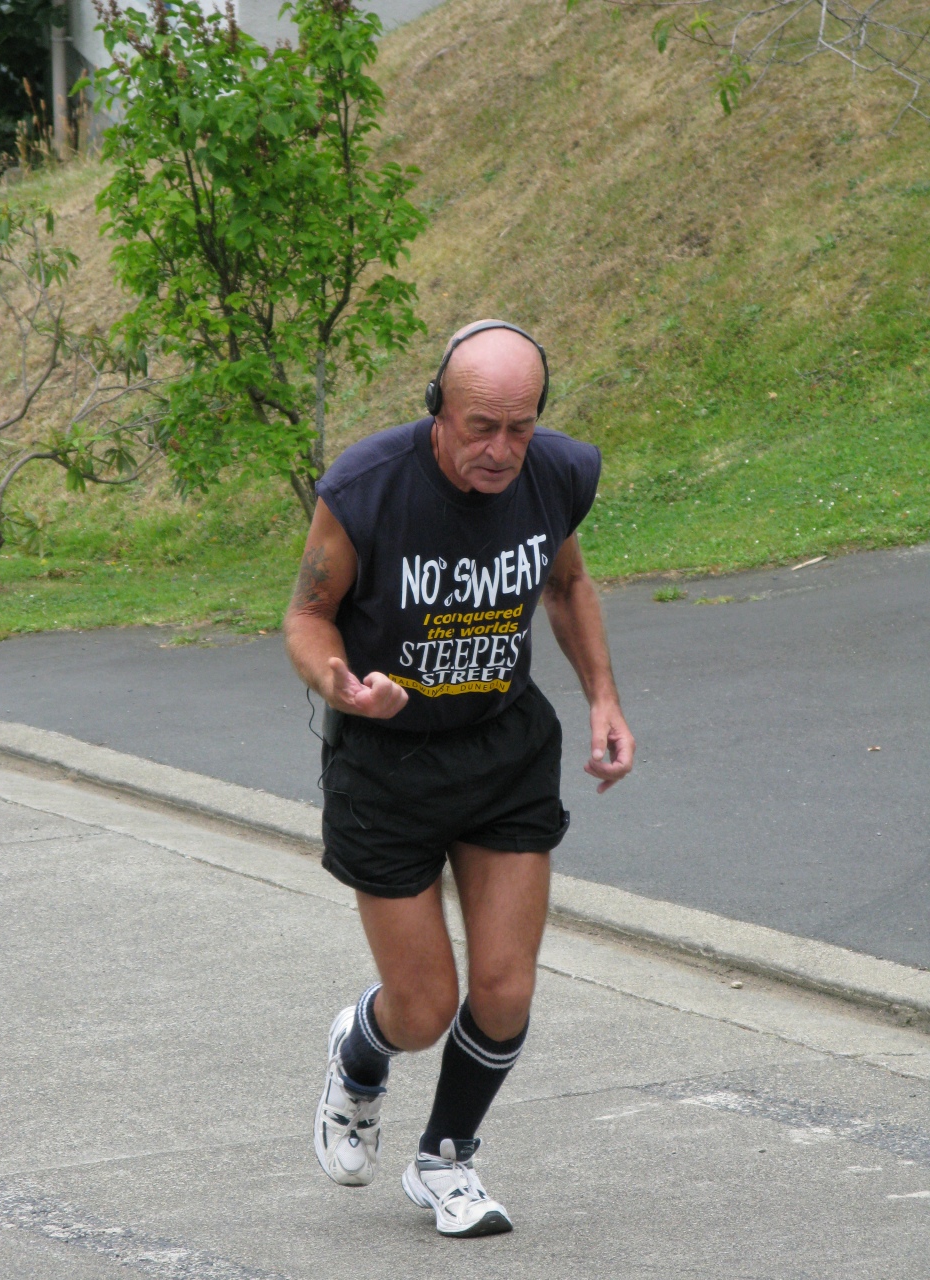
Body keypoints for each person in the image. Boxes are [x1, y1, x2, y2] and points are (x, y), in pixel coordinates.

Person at [283, 319, 635, 1238]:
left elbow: (564, 585)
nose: (501, 450)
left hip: (503, 748)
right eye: (481, 425)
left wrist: (604, 698)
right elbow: (308, 616)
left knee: (507, 987)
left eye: (520, 428)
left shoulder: (555, 475)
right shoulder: (367, 489)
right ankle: (361, 1051)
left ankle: (446, 1161)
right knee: (426, 1005)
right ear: (438, 409)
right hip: (387, 767)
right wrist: (345, 687)